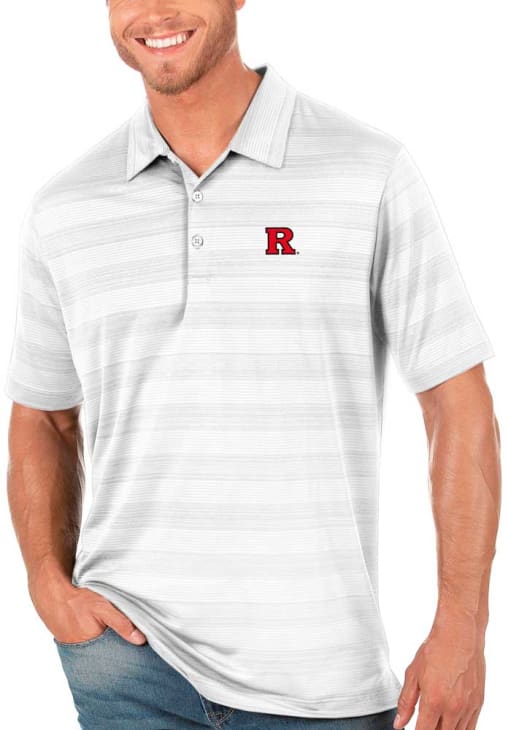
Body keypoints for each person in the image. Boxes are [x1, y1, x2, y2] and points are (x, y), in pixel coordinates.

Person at [4, 1, 501, 729]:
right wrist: (47, 584)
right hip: (127, 662)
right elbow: (43, 416)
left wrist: (463, 625)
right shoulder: (66, 206)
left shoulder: (365, 169)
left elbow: (457, 400)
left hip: (320, 682)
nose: (154, 11)